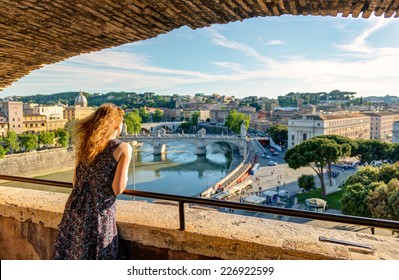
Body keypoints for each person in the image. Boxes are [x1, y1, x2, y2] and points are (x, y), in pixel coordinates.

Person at [53, 103, 132, 260]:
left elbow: (76, 181)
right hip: (99, 212)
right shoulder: (123, 148)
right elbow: (117, 189)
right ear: (117, 125)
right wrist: (125, 178)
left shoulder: (85, 145)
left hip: (74, 209)